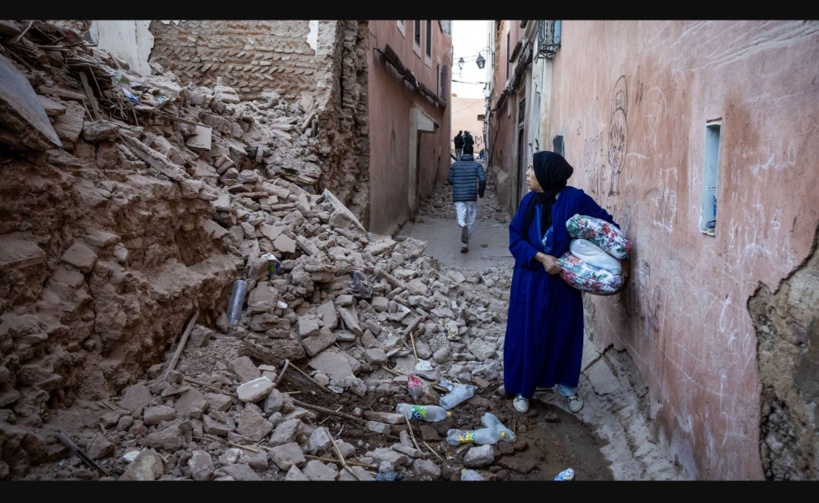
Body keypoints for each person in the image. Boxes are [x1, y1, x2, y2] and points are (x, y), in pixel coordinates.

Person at [503, 151, 621, 414]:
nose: (527, 173)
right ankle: (525, 388)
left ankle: (567, 386)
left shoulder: (574, 199)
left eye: (532, 169)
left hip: (563, 283)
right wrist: (541, 257)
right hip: (530, 281)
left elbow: (606, 228)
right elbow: (515, 238)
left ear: (547, 174)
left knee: (563, 332)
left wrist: (579, 256)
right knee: (528, 332)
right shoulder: (528, 202)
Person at [447, 144, 486, 253]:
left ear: (463, 152)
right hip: (471, 196)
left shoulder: (455, 165)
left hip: (458, 196)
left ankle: (462, 225)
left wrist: (457, 182)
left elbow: (449, 180)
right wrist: (480, 192)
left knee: (461, 217)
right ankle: (465, 244)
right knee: (471, 218)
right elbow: (482, 179)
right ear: (472, 152)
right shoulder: (476, 166)